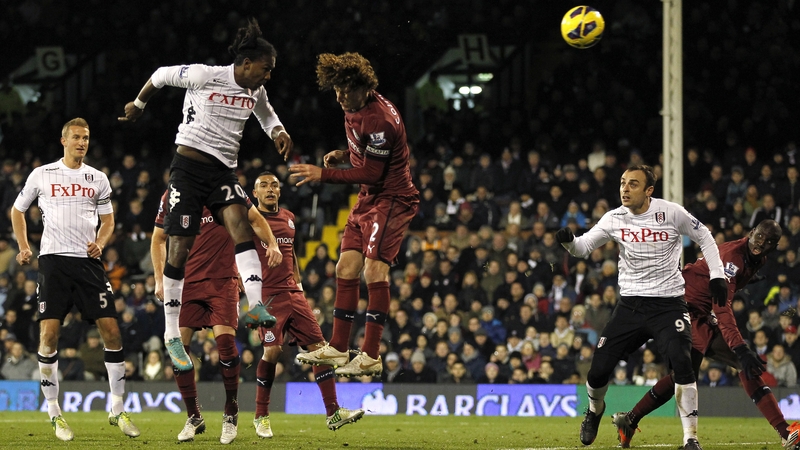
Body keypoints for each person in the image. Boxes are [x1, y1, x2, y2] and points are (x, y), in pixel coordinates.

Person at [119, 18, 286, 372]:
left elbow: (266, 114)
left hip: (223, 172)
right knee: (179, 247)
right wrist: (139, 103)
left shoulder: (255, 91)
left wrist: (278, 132)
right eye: (265, 69)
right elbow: (161, 75)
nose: (268, 75)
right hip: (187, 169)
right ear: (245, 64)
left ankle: (255, 304)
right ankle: (171, 335)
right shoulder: (204, 75)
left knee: (241, 225)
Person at [555, 164, 726, 450]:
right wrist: (569, 242)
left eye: (633, 184)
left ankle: (690, 438)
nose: (624, 188)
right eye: (623, 182)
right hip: (630, 306)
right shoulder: (614, 218)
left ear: (649, 191)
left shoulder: (671, 212)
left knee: (683, 365)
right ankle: (595, 411)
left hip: (668, 305)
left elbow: (705, 237)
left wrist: (718, 275)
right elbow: (583, 247)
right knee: (597, 372)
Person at [611, 219, 800, 449]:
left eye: (769, 241)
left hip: (697, 309)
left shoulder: (756, 258)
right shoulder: (734, 258)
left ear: (775, 245)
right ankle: (783, 431)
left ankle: (629, 420)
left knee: (683, 377)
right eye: (759, 236)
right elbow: (722, 308)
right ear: (752, 232)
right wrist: (740, 346)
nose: (761, 243)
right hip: (684, 307)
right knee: (731, 363)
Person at [290, 52, 419, 377]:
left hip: (392, 199)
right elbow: (368, 155)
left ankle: (371, 354)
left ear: (365, 87)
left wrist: (324, 174)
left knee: (374, 272)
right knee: (345, 266)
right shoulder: (355, 108)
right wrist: (347, 154)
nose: (340, 97)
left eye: (347, 91)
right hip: (368, 199)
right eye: (336, 90)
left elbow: (374, 173)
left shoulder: (380, 120)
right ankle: (338, 347)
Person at [11, 118, 140, 441]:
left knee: (111, 332)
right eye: (77, 137)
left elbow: (109, 221)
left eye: (86, 137)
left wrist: (102, 241)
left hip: (88, 263)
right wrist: (25, 246)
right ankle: (54, 413)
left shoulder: (97, 178)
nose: (82, 142)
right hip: (53, 262)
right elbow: (17, 211)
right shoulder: (42, 174)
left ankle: (118, 408)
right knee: (50, 336)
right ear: (63, 140)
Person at [151, 187, 279, 444]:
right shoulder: (173, 195)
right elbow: (158, 239)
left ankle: (231, 412)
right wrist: (159, 279)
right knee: (179, 350)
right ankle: (193, 416)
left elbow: (254, 218)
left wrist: (273, 242)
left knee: (225, 345)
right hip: (186, 283)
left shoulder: (226, 188)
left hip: (223, 280)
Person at [249, 172, 364, 437]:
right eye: (263, 185)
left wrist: (299, 286)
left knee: (320, 350)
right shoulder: (250, 219)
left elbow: (292, 255)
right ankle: (261, 416)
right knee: (273, 352)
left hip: (293, 293)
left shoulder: (289, 218)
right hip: (265, 296)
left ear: (279, 192)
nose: (269, 189)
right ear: (254, 193)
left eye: (274, 185)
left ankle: (333, 413)